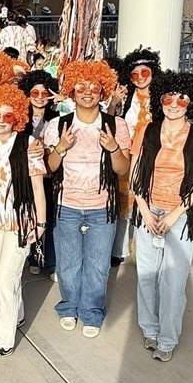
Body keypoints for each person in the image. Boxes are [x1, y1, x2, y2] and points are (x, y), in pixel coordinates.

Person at [44, 61, 131, 338]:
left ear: (103, 91)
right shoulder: (58, 125)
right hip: (66, 205)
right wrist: (60, 147)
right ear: (72, 91)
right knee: (68, 264)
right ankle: (69, 307)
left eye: (94, 87)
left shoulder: (116, 125)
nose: (87, 92)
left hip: (102, 207)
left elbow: (122, 169)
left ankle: (92, 312)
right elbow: (50, 168)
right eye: (81, 87)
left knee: (97, 264)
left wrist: (113, 147)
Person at [130, 71, 193, 361]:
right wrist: (144, 210)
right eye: (168, 97)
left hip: (179, 215)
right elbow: (135, 171)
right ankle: (150, 329)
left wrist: (176, 213)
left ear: (192, 103)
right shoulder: (147, 130)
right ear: (160, 99)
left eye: (181, 98)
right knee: (146, 276)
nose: (174, 104)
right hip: (147, 211)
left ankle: (167, 338)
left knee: (174, 281)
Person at [0, 85, 46, 359]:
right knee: (4, 277)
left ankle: (0, 341)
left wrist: (40, 224)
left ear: (18, 117)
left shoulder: (28, 144)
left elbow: (38, 187)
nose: (1, 120)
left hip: (20, 223)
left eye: (8, 115)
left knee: (5, 280)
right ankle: (16, 316)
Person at [109, 48, 161, 267]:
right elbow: (109, 122)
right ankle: (119, 250)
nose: (140, 78)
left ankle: (149, 247)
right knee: (125, 205)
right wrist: (113, 102)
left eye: (145, 73)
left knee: (151, 203)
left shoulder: (162, 98)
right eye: (134, 75)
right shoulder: (126, 96)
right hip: (129, 156)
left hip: (155, 157)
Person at [19, 70, 59, 278]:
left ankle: (51, 263)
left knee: (50, 220)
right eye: (35, 93)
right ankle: (34, 256)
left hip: (50, 176)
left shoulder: (59, 117)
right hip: (28, 177)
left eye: (45, 93)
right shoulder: (19, 119)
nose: (41, 97)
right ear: (27, 95)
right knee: (32, 217)